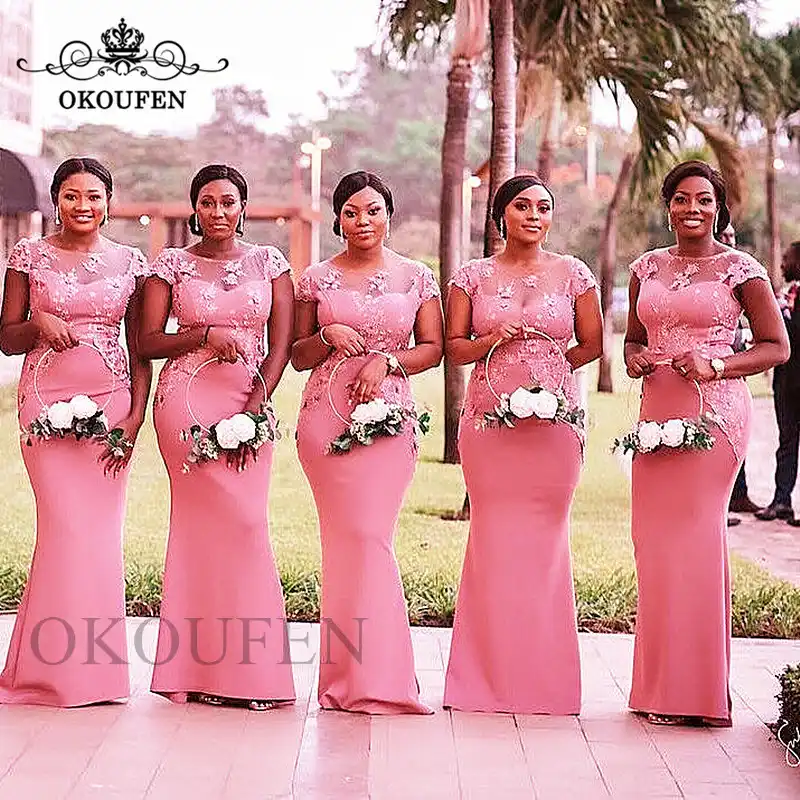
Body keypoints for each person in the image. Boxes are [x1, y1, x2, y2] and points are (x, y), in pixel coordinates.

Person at [624, 160, 788, 726]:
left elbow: (777, 347)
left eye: (704, 201)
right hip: (656, 411)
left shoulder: (741, 269)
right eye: (681, 199)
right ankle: (656, 688)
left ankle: (695, 695)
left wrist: (717, 363)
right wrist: (635, 359)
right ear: (667, 205)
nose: (692, 209)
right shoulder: (644, 267)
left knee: (694, 540)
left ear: (720, 209)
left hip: (714, 414)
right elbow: (632, 341)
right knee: (653, 542)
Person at [443, 174, 603, 714]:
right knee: (493, 539)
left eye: (543, 207)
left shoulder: (575, 273)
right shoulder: (471, 276)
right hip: (489, 425)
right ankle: (481, 682)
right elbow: (455, 349)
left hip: (554, 428)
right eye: (521, 206)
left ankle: (546, 683)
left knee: (546, 543)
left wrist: (549, 379)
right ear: (500, 214)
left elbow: (592, 345)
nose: (533, 215)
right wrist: (492, 344)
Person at [139, 164, 295, 710]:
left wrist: (257, 406)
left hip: (248, 400)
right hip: (184, 404)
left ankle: (252, 675)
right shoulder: (171, 267)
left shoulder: (270, 263)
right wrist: (202, 333)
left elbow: (281, 347)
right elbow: (147, 342)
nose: (219, 212)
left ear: (243, 206)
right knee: (199, 530)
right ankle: (193, 672)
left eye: (228, 202)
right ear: (195, 208)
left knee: (248, 525)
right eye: (208, 203)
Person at [0, 157, 151, 706]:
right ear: (56, 200)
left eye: (93, 196)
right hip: (43, 403)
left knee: (98, 536)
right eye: (71, 196)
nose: (82, 206)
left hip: (110, 407)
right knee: (62, 529)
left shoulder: (132, 262)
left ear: (109, 201)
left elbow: (141, 348)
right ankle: (45, 672)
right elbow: (7, 339)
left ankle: (96, 675)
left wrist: (135, 416)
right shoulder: (29, 256)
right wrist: (38, 323)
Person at [292, 170, 443, 714]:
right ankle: (342, 682)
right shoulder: (315, 279)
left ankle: (383, 680)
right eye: (352, 212)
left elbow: (433, 349)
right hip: (324, 419)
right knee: (343, 542)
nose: (363, 222)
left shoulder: (416, 278)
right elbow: (296, 355)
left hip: (390, 418)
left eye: (373, 211)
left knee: (371, 536)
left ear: (389, 215)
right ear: (338, 219)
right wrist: (326, 335)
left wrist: (387, 359)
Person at [755, 242, 800, 525]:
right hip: (786, 382)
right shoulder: (787, 294)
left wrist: (783, 314)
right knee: (786, 442)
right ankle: (781, 500)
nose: (782, 264)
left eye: (786, 259)